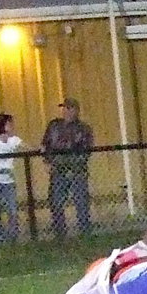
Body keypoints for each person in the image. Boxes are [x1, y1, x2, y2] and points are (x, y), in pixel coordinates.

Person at [41, 97, 93, 235]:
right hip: (58, 171)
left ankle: (85, 231)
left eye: (68, 108)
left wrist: (73, 165)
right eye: (63, 108)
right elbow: (45, 145)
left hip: (77, 172)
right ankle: (60, 232)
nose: (65, 111)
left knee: (81, 201)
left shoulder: (83, 129)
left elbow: (86, 151)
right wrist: (47, 162)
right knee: (56, 201)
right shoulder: (54, 126)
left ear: (76, 110)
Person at [0, 113, 23, 243]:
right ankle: (0, 237)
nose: (12, 126)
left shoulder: (14, 140)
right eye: (9, 123)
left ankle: (13, 238)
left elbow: (27, 146)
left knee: (12, 210)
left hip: (9, 181)